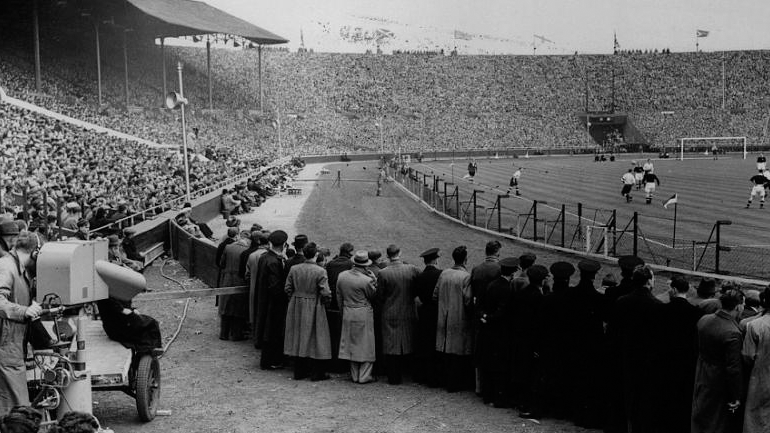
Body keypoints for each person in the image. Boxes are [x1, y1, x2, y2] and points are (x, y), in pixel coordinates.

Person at [0, 231, 43, 413]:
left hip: (12, 343)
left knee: (12, 403)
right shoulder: (6, 267)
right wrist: (24, 311)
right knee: (16, 406)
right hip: (6, 344)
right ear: (35, 252)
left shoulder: (19, 269)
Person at [692, 289, 745, 433]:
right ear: (738, 307)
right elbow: (733, 368)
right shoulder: (733, 332)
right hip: (719, 384)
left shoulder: (704, 320)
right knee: (716, 423)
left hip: (702, 376)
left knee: (700, 417)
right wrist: (736, 395)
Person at [283, 242, 332, 381]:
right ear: (316, 255)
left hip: (297, 303)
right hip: (314, 303)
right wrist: (325, 303)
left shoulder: (294, 268)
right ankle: (317, 373)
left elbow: (287, 288)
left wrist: (294, 299)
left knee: (299, 334)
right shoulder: (320, 271)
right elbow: (326, 292)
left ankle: (299, 371)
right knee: (316, 336)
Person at [566, 259, 606, 429]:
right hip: (591, 345)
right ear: (594, 276)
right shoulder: (598, 298)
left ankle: (575, 413)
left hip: (574, 342)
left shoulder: (571, 294)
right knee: (589, 381)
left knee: (575, 378)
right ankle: (587, 415)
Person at [662, 274, 704, 433]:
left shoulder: (661, 309)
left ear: (673, 289)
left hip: (666, 360)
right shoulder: (696, 313)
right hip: (687, 362)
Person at [476, 256, 518, 407]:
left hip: (487, 329)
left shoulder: (491, 284)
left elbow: (480, 305)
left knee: (487, 364)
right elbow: (503, 313)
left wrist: (484, 316)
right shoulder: (507, 289)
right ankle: (499, 398)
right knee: (499, 367)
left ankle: (487, 396)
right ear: (513, 273)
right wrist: (490, 318)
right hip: (500, 332)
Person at [376, 244, 420, 385]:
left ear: (388, 255)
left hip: (390, 311)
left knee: (391, 345)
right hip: (408, 310)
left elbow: (380, 295)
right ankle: (411, 374)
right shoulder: (412, 269)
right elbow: (417, 288)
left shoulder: (383, 273)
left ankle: (394, 377)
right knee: (409, 341)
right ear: (399, 253)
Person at [510, 264, 549, 419]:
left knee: (522, 371)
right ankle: (529, 406)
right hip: (532, 342)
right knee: (533, 374)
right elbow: (539, 323)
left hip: (521, 339)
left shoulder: (522, 293)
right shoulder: (539, 297)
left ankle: (521, 401)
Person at [433, 245, 474, 392]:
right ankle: (454, 383)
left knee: (444, 349)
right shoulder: (466, 277)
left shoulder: (444, 273)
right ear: (465, 260)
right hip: (459, 317)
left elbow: (435, 295)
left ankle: (443, 379)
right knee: (458, 351)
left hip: (443, 316)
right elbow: (468, 300)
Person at [336, 251, 378, 384]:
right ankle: (364, 375)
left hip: (348, 311)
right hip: (362, 312)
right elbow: (373, 296)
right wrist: (374, 280)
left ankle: (355, 375)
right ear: (366, 266)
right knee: (366, 344)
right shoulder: (366, 280)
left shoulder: (342, 276)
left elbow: (339, 296)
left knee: (351, 344)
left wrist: (343, 311)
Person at [255, 230, 288, 369]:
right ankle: (271, 361)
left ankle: (268, 360)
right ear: (284, 244)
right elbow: (275, 286)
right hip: (273, 302)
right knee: (273, 330)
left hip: (263, 298)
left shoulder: (264, 257)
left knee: (266, 328)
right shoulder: (275, 262)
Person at [741, 289, 770, 433]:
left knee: (756, 420)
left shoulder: (754, 325)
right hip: (761, 377)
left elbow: (747, 356)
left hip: (761, 378)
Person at [413, 247, 442, 387]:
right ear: (436, 259)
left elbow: (416, 295)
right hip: (436, 310)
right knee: (434, 343)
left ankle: (422, 375)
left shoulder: (419, 276)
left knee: (424, 343)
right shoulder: (440, 274)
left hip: (424, 311)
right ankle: (434, 377)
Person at [218, 231, 251, 341]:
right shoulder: (246, 250)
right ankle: (236, 334)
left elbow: (221, 263)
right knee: (238, 308)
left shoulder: (228, 247)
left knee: (225, 306)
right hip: (240, 280)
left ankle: (223, 333)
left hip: (227, 279)